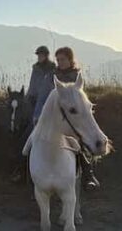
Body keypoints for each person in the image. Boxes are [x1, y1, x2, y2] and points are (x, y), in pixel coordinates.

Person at [52, 46, 101, 190]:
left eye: (63, 59)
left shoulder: (76, 76)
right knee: (31, 137)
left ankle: (88, 175)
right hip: (53, 116)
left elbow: (79, 101)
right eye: (58, 59)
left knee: (77, 143)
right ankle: (24, 171)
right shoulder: (53, 76)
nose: (60, 62)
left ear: (70, 60)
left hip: (72, 118)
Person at [27, 45, 56, 122]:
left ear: (46, 56)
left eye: (41, 55)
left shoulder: (52, 69)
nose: (39, 57)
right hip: (35, 96)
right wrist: (29, 96)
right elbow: (32, 83)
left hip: (48, 97)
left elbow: (53, 84)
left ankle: (36, 119)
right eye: (38, 55)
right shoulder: (36, 68)